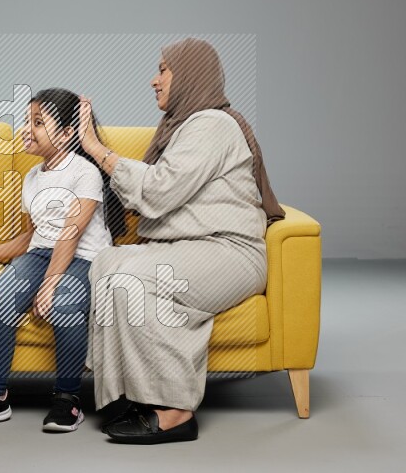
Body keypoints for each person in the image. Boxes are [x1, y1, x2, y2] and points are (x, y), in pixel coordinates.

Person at [78, 38, 286, 444]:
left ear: (189, 74)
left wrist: (97, 150)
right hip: (190, 246)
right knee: (107, 263)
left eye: (163, 69)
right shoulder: (182, 126)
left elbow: (158, 191)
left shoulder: (212, 125)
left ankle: (175, 411)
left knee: (134, 280)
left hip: (228, 251)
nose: (153, 80)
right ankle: (136, 392)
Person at [0, 88, 123, 432]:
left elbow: (70, 233)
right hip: (42, 253)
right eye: (27, 121)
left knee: (65, 302)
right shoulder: (31, 178)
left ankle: (68, 399)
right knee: (5, 293)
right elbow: (33, 236)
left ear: (67, 134)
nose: (27, 129)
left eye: (38, 122)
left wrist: (51, 283)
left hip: (85, 257)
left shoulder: (84, 173)